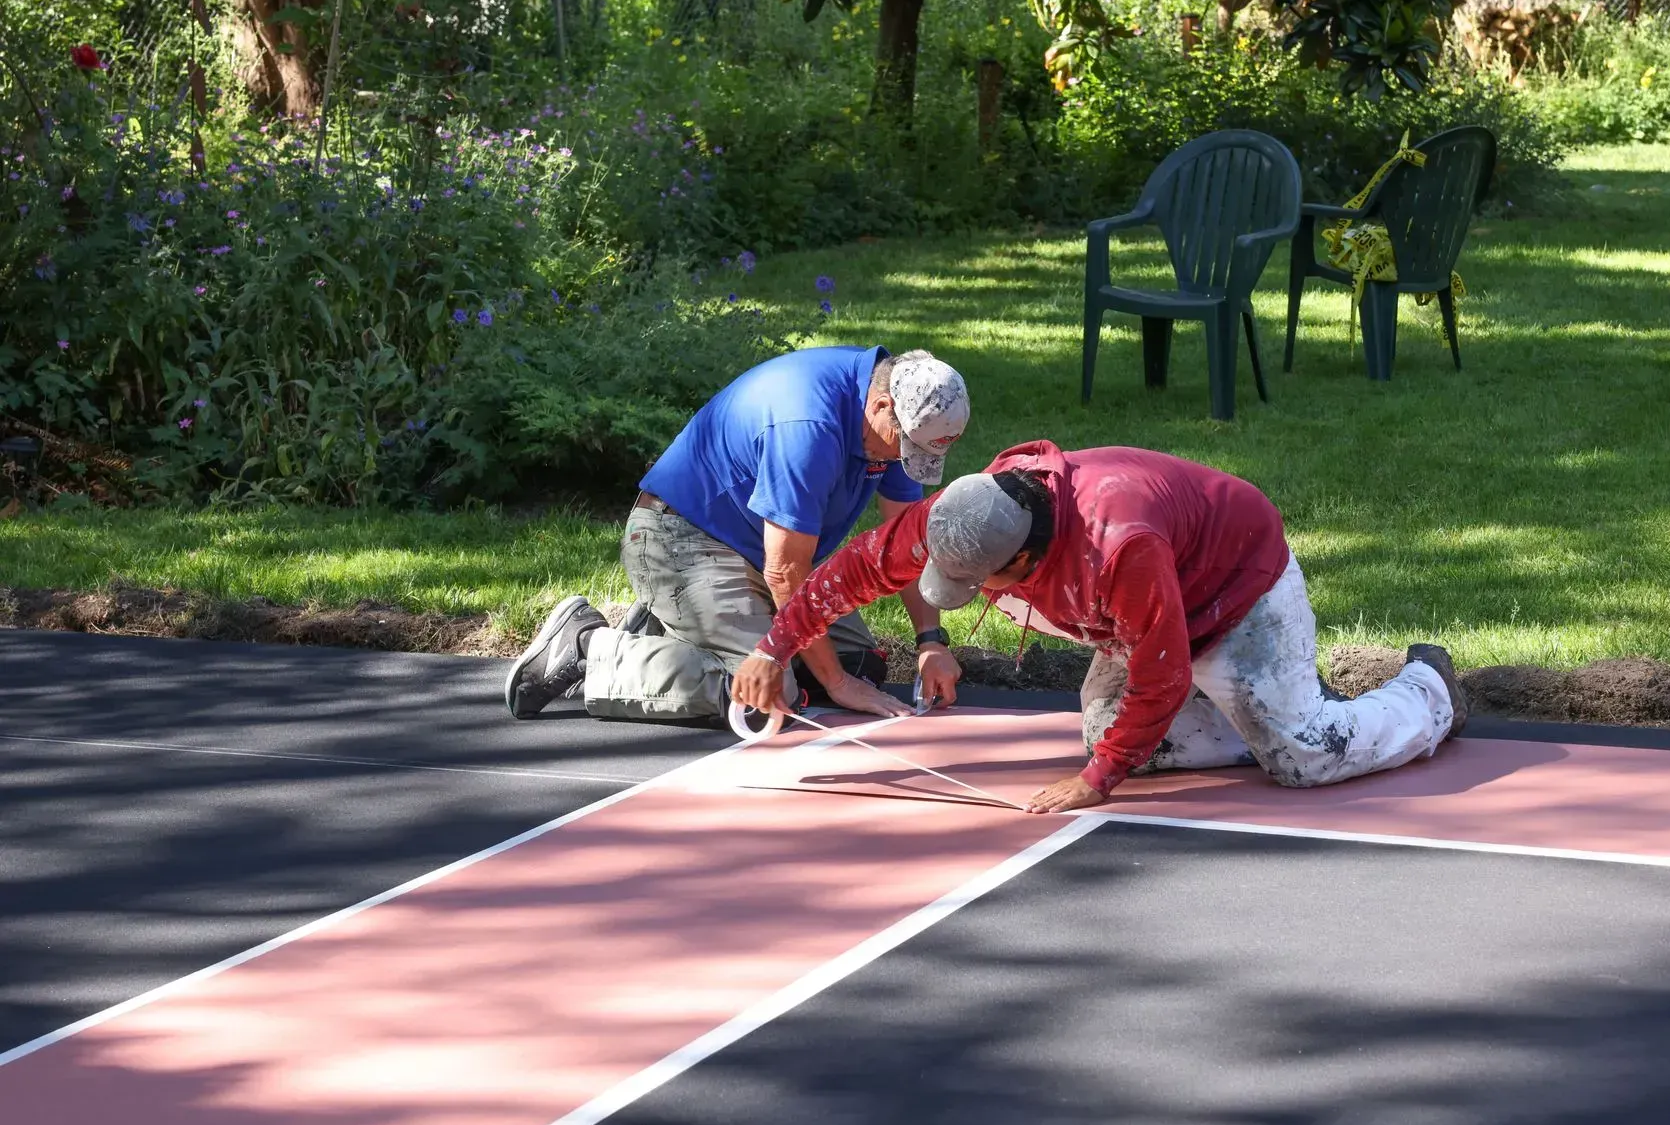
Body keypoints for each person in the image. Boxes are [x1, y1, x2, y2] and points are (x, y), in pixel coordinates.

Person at [732, 440, 1468, 814]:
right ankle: (1263, 709)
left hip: (1235, 591)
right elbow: (854, 569)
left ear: (1024, 558)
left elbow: (1162, 674)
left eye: (977, 585)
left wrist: (1097, 782)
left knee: (1302, 759)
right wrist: (775, 646)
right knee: (1113, 736)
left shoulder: (1120, 547)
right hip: (1133, 616)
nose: (962, 593)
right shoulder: (965, 514)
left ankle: (1428, 689)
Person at [505, 345, 970, 723]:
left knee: (859, 665)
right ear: (882, 406)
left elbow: (904, 544)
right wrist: (836, 683)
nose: (903, 461)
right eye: (904, 447)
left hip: (766, 552)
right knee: (767, 691)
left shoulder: (896, 411)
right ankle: (589, 647)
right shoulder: (807, 426)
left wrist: (930, 640)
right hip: (680, 541)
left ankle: (679, 628)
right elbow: (785, 572)